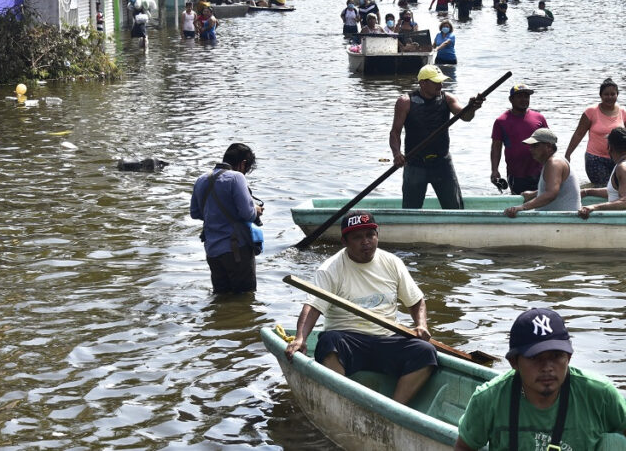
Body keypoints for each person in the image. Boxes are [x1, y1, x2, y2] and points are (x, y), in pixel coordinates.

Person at [283, 211, 438, 405]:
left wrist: (421, 325)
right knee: (328, 342)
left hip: (386, 338)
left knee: (425, 352)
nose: (366, 242)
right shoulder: (330, 268)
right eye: (357, 237)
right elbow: (313, 306)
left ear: (377, 236)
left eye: (370, 235)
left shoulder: (392, 263)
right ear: (344, 241)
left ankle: (393, 409)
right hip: (349, 340)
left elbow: (416, 301)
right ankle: (343, 403)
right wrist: (300, 338)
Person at [454, 308, 626, 451]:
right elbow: (465, 446)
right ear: (514, 363)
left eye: (556, 356)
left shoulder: (598, 393)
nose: (547, 367)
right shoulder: (488, 399)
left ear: (569, 357)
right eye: (535, 358)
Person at [389, 65, 483, 209]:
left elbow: (465, 116)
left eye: (441, 81)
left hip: (442, 163)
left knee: (454, 208)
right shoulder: (405, 102)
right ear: (422, 83)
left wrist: (472, 108)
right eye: (436, 82)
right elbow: (395, 132)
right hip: (415, 163)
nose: (440, 85)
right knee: (410, 210)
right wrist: (396, 154)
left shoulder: (448, 98)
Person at [189, 143, 264, 294]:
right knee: (244, 298)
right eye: (247, 169)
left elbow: (195, 213)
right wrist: (256, 210)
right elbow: (247, 214)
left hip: (212, 251)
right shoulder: (237, 178)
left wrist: (216, 214)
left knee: (221, 297)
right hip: (236, 251)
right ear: (243, 164)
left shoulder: (201, 179)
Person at [564, 77, 626, 187]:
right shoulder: (591, 112)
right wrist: (568, 154)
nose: (609, 97)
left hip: (619, 158)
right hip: (595, 159)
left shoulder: (623, 112)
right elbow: (579, 134)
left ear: (617, 95)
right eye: (606, 94)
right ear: (600, 95)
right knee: (604, 188)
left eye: (612, 94)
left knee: (622, 186)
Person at [504, 128, 581, 216]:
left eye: (535, 146)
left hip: (564, 220)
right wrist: (534, 194)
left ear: (548, 146)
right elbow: (555, 187)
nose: (530, 149)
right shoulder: (552, 162)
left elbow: (551, 194)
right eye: (530, 146)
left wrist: (522, 207)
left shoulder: (554, 163)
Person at [491, 84, 549, 195]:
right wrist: (494, 170)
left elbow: (549, 143)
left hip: (540, 171)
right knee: (519, 203)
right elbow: (496, 147)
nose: (524, 100)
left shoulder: (539, 118)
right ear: (511, 99)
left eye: (526, 96)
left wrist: (553, 165)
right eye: (519, 97)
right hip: (516, 174)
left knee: (543, 200)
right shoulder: (501, 121)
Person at [577, 127, 626, 219]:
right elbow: (616, 190)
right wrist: (587, 191)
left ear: (610, 147)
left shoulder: (624, 168)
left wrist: (594, 207)